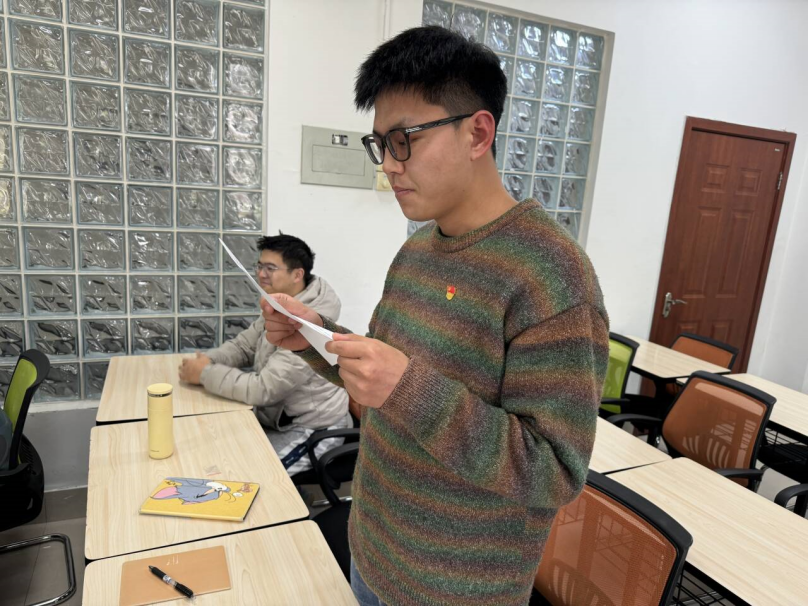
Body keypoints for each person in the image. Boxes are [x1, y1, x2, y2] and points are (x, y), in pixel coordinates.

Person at [262, 26, 609, 606]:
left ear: (478, 133)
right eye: (380, 144)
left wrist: (408, 389)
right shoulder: (417, 250)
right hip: (373, 548)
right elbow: (380, 377)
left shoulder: (552, 276)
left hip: (455, 590)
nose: (388, 166)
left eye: (404, 140)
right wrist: (310, 339)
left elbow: (553, 471)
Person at [178, 234, 351, 475]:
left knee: (252, 478)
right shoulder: (282, 304)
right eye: (259, 266)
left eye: (270, 268)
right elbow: (244, 346)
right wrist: (210, 360)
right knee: (216, 455)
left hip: (312, 429)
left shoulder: (311, 324)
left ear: (297, 274)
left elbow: (265, 388)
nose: (261, 274)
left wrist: (204, 373)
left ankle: (297, 495)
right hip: (276, 418)